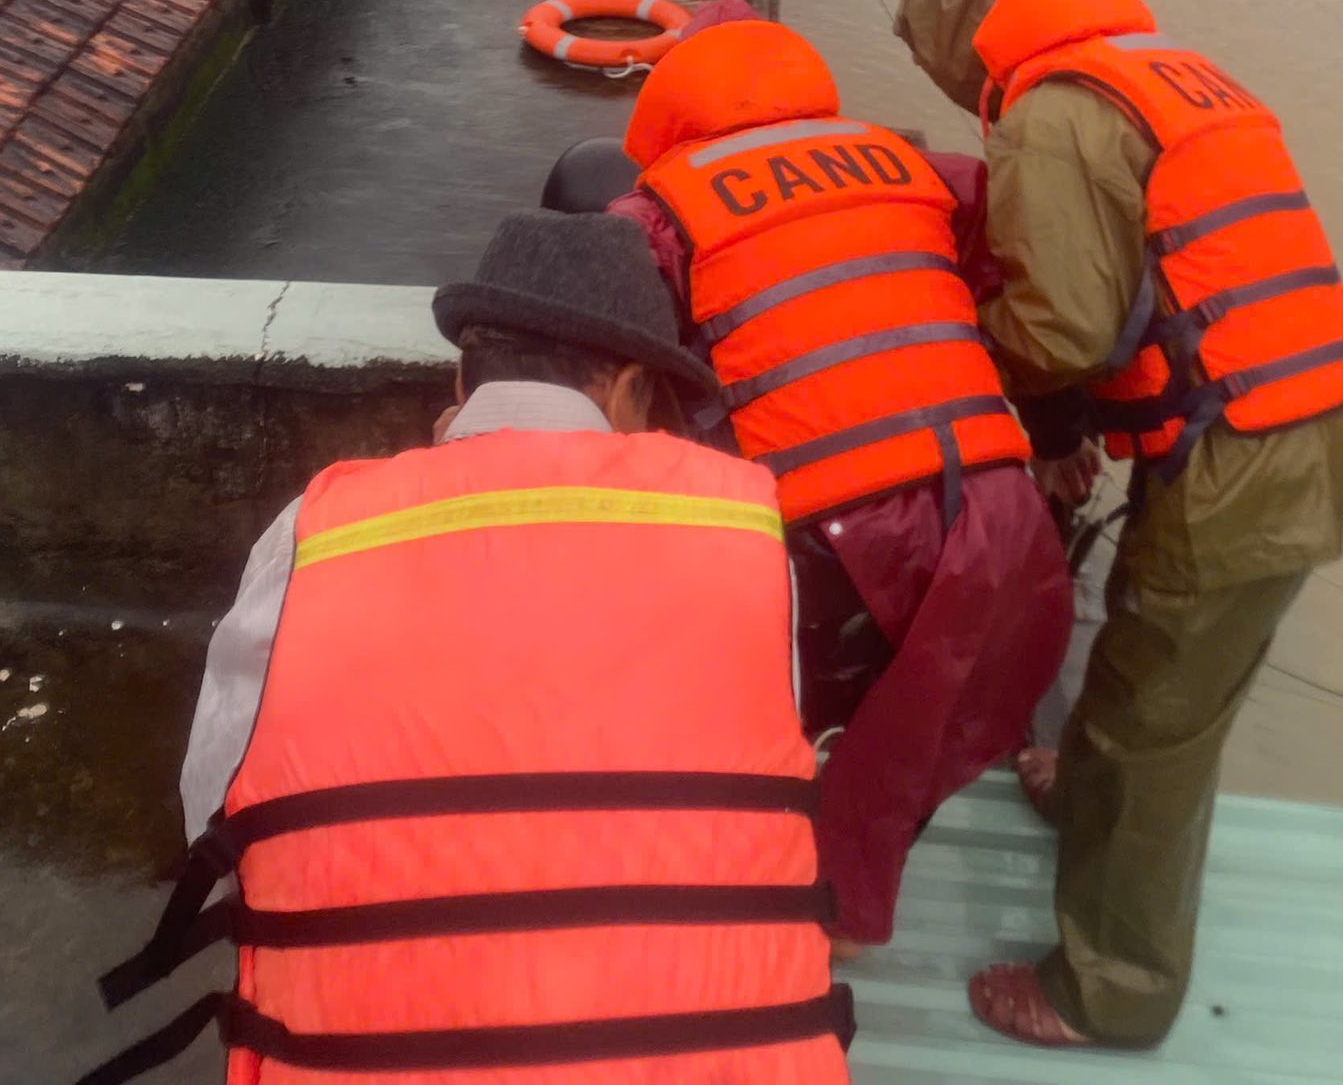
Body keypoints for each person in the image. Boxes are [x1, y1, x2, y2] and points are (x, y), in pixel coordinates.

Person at [82, 213, 852, 1085]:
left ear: (462, 373)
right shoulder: (744, 529)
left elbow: (212, 804)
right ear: (631, 390)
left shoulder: (320, 530)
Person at [893, 0, 1343, 1052]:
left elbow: (1056, 324)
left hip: (1242, 456)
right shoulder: (1173, 76)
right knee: (1155, 664)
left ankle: (1108, 991)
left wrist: (998, 379)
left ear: (972, 30)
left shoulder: (1053, 119)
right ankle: (1093, 790)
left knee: (1159, 717)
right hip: (1295, 419)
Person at [610, 15, 1073, 956]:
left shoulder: (663, 207)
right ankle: (848, 899)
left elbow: (619, 349)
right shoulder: (907, 163)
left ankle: (791, 913)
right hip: (998, 504)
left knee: (774, 709)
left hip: (835, 526)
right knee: (914, 718)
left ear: (669, 108)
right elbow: (1020, 253)